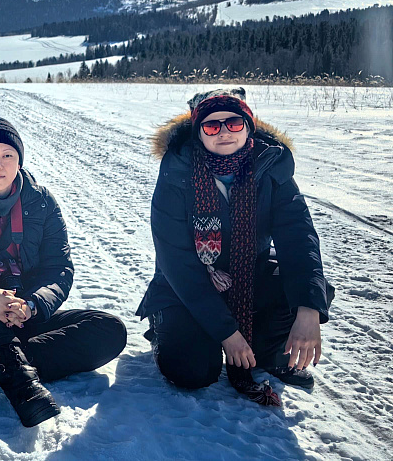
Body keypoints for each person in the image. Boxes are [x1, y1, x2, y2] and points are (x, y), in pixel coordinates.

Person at [0, 117, 127, 428]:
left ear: (20, 161)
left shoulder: (42, 202)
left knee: (109, 330)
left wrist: (32, 306)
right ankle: (19, 382)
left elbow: (59, 268)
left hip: (19, 317)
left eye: (7, 155)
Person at [137, 88, 333, 406]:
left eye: (234, 123)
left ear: (249, 126)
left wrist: (308, 310)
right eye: (213, 126)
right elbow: (175, 262)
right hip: (187, 282)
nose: (224, 132)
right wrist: (228, 333)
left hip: (246, 271)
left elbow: (298, 237)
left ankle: (270, 352)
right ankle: (164, 329)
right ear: (198, 132)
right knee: (192, 371)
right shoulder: (177, 172)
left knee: (310, 289)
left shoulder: (271, 167)